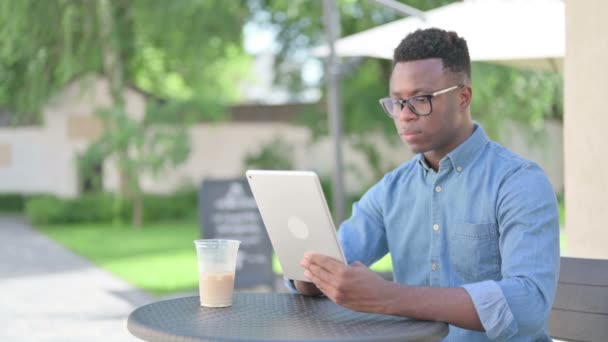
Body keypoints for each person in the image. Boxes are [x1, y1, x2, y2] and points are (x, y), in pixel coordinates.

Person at [289, 28, 560, 341]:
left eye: (420, 99)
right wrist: (311, 276)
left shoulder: (519, 183)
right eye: (397, 101)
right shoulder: (390, 191)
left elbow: (528, 306)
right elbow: (333, 261)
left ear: (463, 96)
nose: (405, 115)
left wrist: (388, 297)